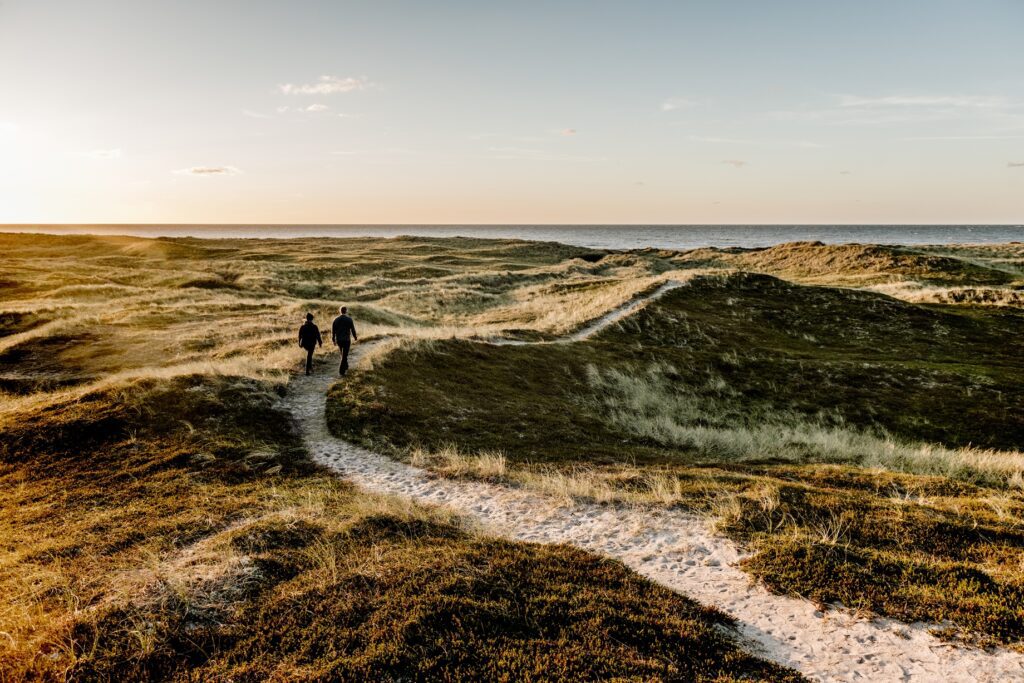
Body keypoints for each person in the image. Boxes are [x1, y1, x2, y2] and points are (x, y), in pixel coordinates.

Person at [331, 305, 358, 376]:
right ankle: (341, 371)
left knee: (343, 354)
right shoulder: (349, 319)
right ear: (346, 311)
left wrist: (333, 339)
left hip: (339, 340)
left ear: (340, 311)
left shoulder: (336, 320)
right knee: (344, 355)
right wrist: (355, 336)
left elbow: (333, 331)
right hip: (346, 340)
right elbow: (352, 329)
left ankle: (346, 366)